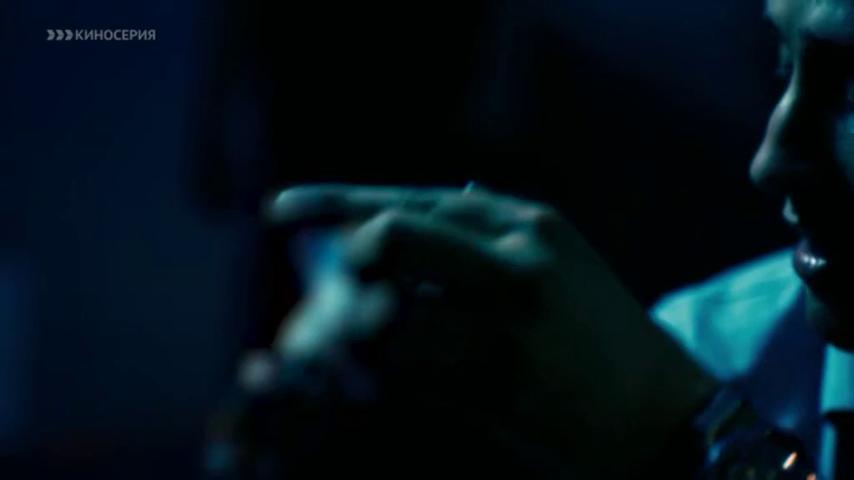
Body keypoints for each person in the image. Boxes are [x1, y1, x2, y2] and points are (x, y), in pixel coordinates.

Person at [207, 0, 854, 478]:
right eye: (782, 64)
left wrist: (701, 442)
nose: (769, 162)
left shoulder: (681, 393)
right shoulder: (712, 353)